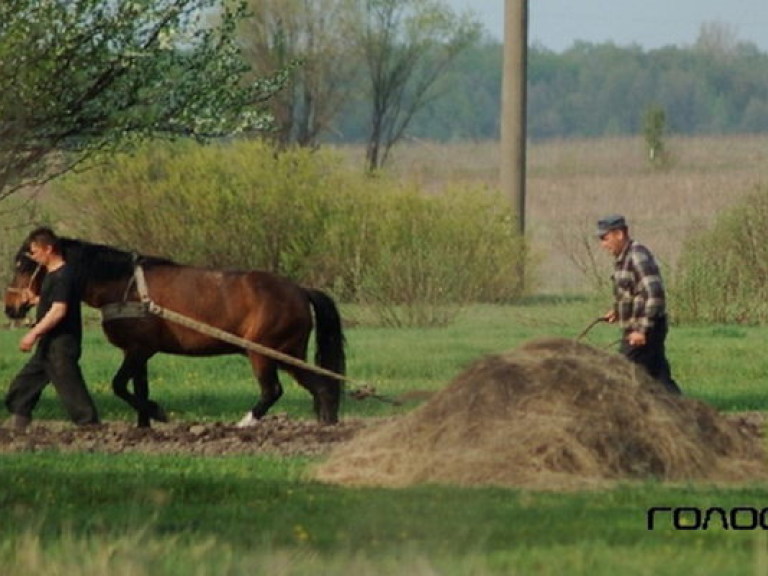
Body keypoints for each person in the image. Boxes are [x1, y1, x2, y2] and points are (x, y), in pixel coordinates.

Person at [5, 227, 100, 430]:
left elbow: (59, 310)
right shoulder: (52, 274)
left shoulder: (64, 275)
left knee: (70, 388)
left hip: (62, 343)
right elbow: (55, 300)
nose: (34, 256)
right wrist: (36, 300)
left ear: (48, 249)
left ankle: (90, 427)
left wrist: (33, 333)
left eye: (36, 251)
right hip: (49, 343)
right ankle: (19, 419)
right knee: (24, 383)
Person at [597, 214, 682, 395]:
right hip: (642, 327)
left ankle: (624, 416)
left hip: (645, 328)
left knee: (622, 372)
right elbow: (634, 293)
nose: (602, 244)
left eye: (605, 238)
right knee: (658, 377)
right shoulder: (623, 258)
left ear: (619, 234)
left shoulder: (637, 256)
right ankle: (681, 411)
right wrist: (618, 311)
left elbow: (655, 294)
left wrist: (642, 330)